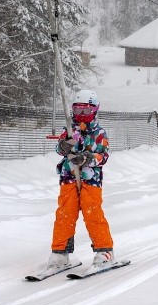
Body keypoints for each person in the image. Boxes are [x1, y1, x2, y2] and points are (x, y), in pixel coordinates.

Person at [46, 89, 116, 273]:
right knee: (65, 215)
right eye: (78, 111)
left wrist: (87, 159)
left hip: (90, 180)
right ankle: (60, 253)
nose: (82, 115)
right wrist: (64, 145)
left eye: (86, 111)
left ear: (95, 110)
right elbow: (60, 149)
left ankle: (104, 251)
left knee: (92, 213)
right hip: (69, 177)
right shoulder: (70, 130)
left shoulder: (99, 133)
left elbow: (103, 156)